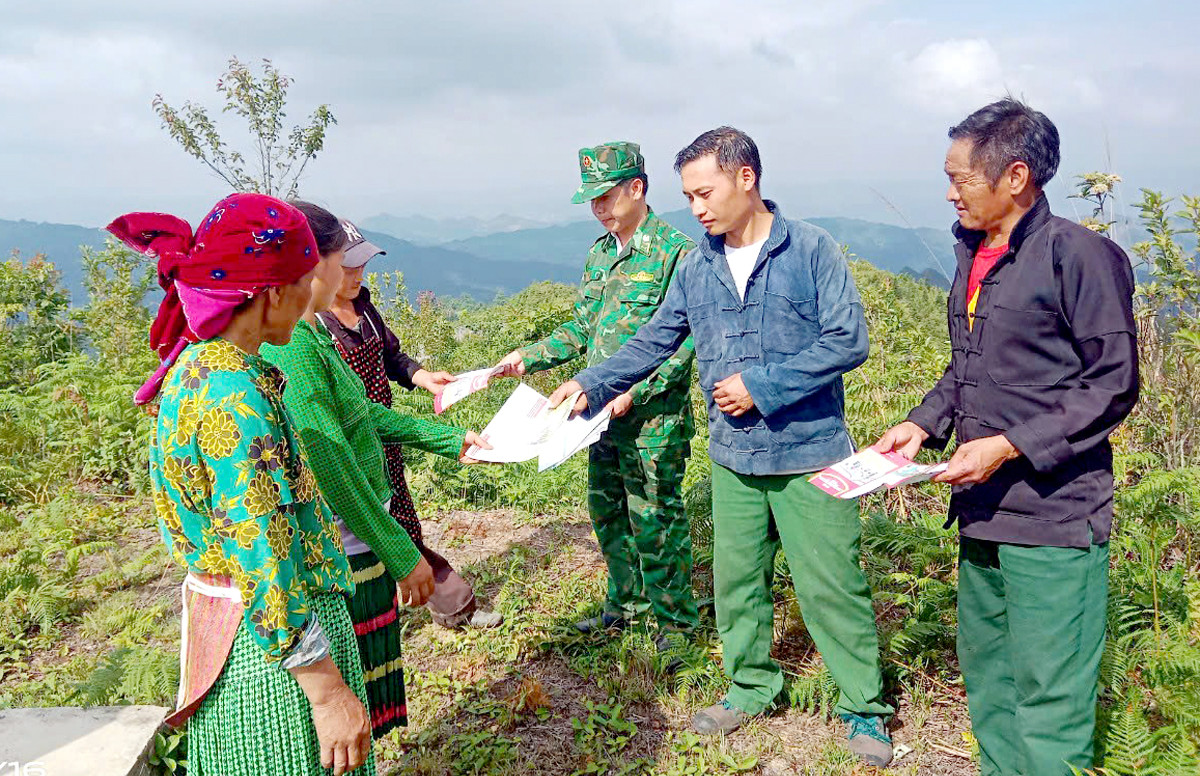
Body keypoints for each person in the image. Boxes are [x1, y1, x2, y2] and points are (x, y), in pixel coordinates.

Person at [548, 127, 893, 766]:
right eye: (689, 196)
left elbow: (848, 341)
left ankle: (864, 711)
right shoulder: (699, 264)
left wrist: (762, 385)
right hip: (734, 455)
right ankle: (751, 685)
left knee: (829, 585)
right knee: (738, 582)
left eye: (705, 192)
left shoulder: (812, 250)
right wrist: (589, 382)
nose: (698, 208)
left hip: (809, 453)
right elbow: (656, 338)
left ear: (746, 178)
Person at [873, 98, 1138, 775]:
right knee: (990, 678)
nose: (950, 190)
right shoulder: (974, 252)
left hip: (1055, 516)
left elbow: (1111, 386)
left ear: (1015, 176)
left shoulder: (1078, 256)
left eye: (961, 177)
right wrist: (919, 424)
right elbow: (970, 368)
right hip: (982, 511)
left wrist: (1009, 446)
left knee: (1050, 694)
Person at [115, 193, 373, 775]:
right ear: (273, 293)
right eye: (306, 281)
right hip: (274, 666)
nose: (316, 297)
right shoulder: (238, 399)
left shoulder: (197, 367)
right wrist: (327, 693)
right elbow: (262, 551)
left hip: (229, 637)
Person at [261, 202, 491, 741]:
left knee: (368, 675)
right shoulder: (297, 344)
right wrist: (398, 550)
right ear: (312, 264)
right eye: (343, 262)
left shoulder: (322, 331)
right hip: (349, 533)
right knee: (352, 684)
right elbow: (331, 463)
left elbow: (363, 411)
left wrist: (448, 438)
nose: (352, 275)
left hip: (368, 510)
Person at [495, 141, 700, 649]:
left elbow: (687, 341)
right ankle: (625, 607)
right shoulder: (600, 253)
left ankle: (675, 625)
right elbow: (584, 328)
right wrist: (528, 357)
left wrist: (634, 391)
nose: (599, 209)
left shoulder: (677, 253)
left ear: (637, 188)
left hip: (653, 420)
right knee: (608, 513)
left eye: (606, 197)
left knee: (655, 516)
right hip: (595, 416)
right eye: (592, 201)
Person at [317, 219, 503, 631]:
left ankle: (440, 603)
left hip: (386, 437)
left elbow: (393, 358)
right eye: (346, 267)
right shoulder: (313, 333)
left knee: (400, 520)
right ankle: (422, 603)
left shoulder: (363, 308)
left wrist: (421, 376)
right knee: (369, 531)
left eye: (361, 266)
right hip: (347, 446)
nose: (356, 276)